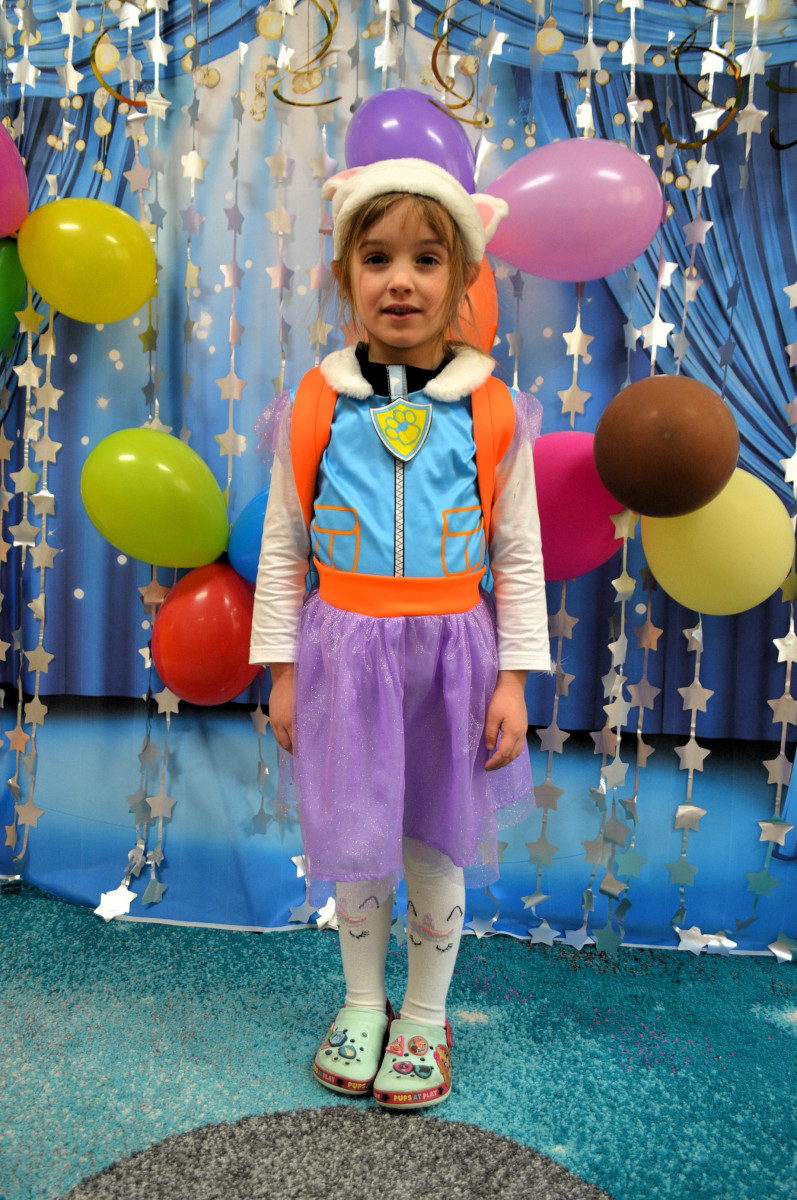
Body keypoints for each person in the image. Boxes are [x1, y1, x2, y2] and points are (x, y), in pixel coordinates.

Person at [249, 156, 550, 1110]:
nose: (401, 281)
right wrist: (281, 670)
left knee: (433, 843)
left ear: (462, 279)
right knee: (357, 836)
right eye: (376, 258)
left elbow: (519, 554)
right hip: (344, 656)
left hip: (453, 662)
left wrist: (513, 680)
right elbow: (284, 545)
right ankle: (360, 1003)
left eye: (427, 259)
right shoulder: (316, 402)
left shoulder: (492, 411)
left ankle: (423, 1015)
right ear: (345, 275)